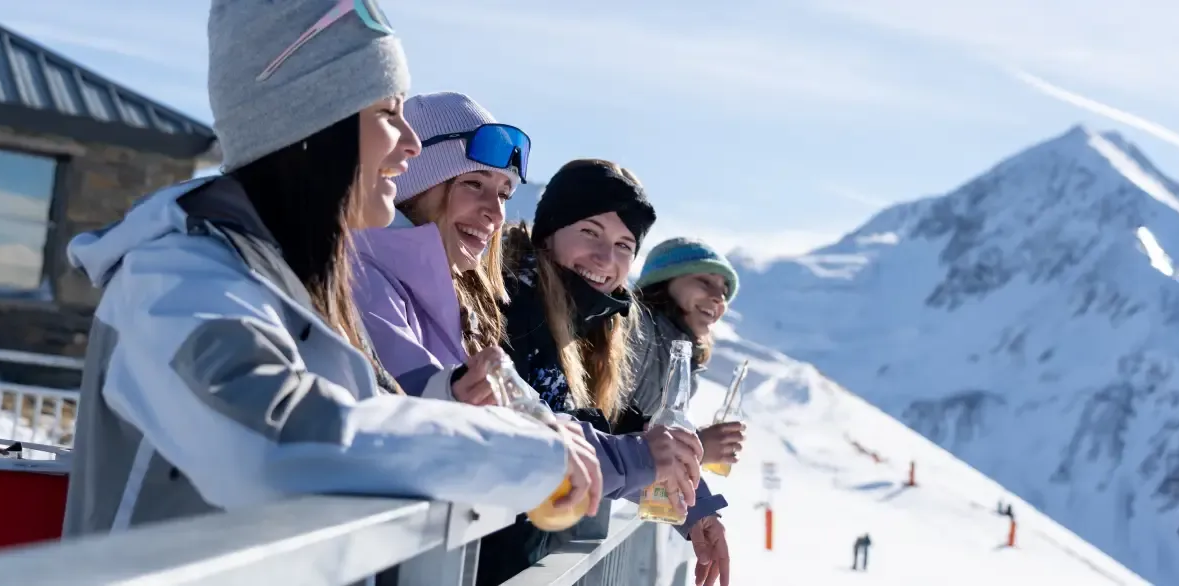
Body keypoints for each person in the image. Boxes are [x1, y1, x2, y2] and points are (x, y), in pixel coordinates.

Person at [60, 0, 601, 537]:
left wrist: (452, 402)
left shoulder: (290, 280)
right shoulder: (177, 278)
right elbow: (274, 446)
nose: (410, 144)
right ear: (312, 125)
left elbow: (354, 414)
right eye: (388, 114)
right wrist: (520, 454)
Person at [479, 159, 729, 585]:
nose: (604, 258)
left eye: (623, 246)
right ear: (549, 232)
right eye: (590, 232)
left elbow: (614, 430)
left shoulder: (596, 328)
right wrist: (647, 458)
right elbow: (537, 437)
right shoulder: (514, 310)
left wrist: (694, 508)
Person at [351, 91, 526, 400]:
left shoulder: (458, 301)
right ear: (415, 185)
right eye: (474, 184)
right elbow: (409, 404)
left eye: (503, 195)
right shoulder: (364, 278)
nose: (497, 214)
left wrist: (629, 449)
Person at [623, 238, 747, 469]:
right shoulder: (634, 332)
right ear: (663, 281)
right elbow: (604, 431)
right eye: (704, 281)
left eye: (724, 291)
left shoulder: (682, 359)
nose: (719, 298)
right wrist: (694, 448)